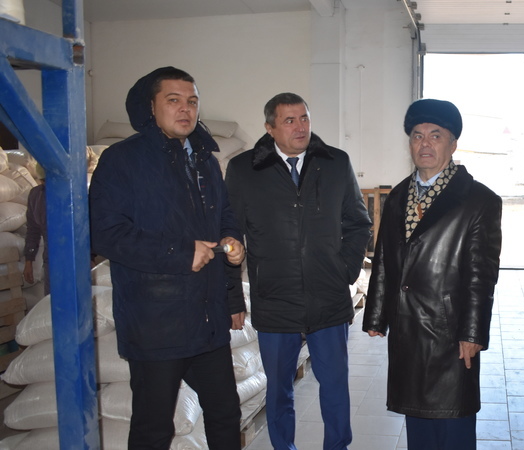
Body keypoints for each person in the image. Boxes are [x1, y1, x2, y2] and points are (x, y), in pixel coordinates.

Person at [89, 66, 246, 450]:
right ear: (151, 107)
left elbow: (225, 215)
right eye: (173, 100)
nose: (185, 109)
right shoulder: (122, 160)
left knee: (226, 414)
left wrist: (231, 240)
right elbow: (106, 234)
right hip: (156, 324)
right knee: (154, 428)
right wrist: (179, 254)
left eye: (192, 101)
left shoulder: (205, 160)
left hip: (207, 321)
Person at [225, 92, 371, 450]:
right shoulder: (244, 170)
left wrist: (345, 271)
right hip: (275, 299)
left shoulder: (335, 163)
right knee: (278, 390)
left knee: (334, 385)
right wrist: (232, 296)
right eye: (289, 120)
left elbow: (358, 223)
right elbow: (229, 236)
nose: (300, 126)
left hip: (328, 297)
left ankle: (337, 446)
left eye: (304, 118)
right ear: (270, 128)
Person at [363, 99, 502, 450]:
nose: (424, 144)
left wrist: (473, 332)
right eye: (417, 136)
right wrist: (377, 315)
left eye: (435, 136)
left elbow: (482, 276)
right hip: (408, 326)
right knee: (418, 422)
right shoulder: (398, 195)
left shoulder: (479, 200)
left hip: (449, 329)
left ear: (452, 144)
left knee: (453, 421)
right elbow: (384, 258)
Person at [23, 163, 48, 295]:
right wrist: (29, 260)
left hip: (75, 257)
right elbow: (33, 230)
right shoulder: (36, 196)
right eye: (43, 181)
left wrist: (90, 257)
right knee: (52, 300)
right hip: (51, 259)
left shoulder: (73, 195)